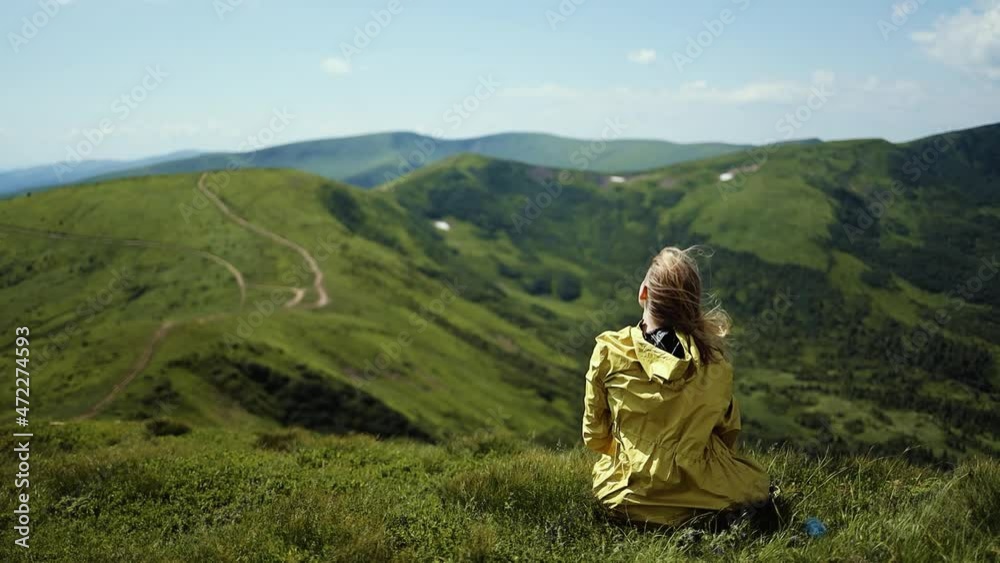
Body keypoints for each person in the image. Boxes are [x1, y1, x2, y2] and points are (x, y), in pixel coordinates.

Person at [582, 246, 772, 528]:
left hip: (623, 499)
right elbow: (727, 434)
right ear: (693, 303)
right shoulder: (715, 363)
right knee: (759, 487)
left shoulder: (609, 350)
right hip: (705, 499)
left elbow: (595, 435)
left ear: (643, 293)